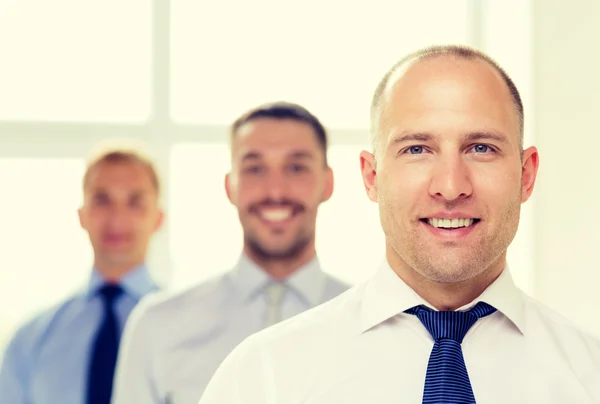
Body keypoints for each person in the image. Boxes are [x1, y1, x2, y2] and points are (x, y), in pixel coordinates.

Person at [197, 45, 600, 404]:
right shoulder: (262, 377)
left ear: (526, 175)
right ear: (371, 177)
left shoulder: (589, 376)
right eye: (417, 149)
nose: (450, 186)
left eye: (481, 148)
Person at [111, 102, 349, 404]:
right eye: (255, 169)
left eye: (296, 167)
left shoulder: (380, 328)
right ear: (230, 186)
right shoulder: (156, 326)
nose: (275, 191)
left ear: (327, 183)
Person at [0, 145, 164, 404]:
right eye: (102, 200)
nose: (117, 217)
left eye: (135, 201)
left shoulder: (188, 330)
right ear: (82, 215)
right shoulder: (29, 341)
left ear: (158, 218)